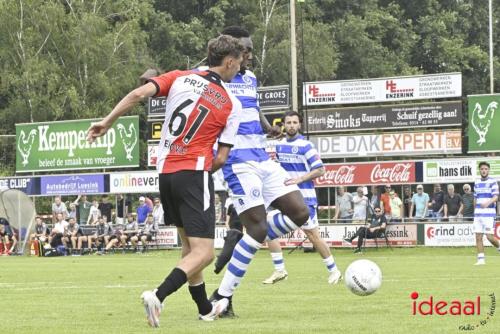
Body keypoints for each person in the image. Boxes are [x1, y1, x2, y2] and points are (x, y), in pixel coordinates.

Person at [86, 34, 245, 327]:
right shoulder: (232, 103)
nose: (239, 69)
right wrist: (200, 176)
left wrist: (107, 121)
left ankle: (205, 308)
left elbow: (137, 95)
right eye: (239, 64)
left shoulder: (180, 77)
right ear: (229, 61)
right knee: (205, 253)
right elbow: (221, 158)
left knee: (189, 250)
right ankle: (157, 295)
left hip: (166, 173)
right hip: (194, 173)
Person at [208, 27, 310, 318]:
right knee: (258, 229)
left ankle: (243, 242)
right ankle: (223, 296)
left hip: (263, 157)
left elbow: (255, 107)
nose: (250, 55)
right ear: (230, 53)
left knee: (300, 214)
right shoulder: (212, 78)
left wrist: (269, 129)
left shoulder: (250, 78)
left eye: (251, 49)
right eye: (245, 50)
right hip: (237, 162)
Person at [260, 112, 341, 285]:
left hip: (305, 199)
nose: (291, 125)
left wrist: (300, 179)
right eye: (288, 122)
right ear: (283, 125)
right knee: (264, 228)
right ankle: (279, 269)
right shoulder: (279, 146)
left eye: (294, 122)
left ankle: (334, 270)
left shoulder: (306, 146)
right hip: (285, 198)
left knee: (312, 236)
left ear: (300, 125)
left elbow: (320, 170)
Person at [473, 162, 500, 265]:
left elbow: (496, 197)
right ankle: (481, 259)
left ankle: (498, 247)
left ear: (488, 170)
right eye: (482, 169)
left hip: (488, 214)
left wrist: (487, 203)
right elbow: (475, 197)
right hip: (478, 214)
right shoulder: (476, 182)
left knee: (489, 237)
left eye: (485, 169)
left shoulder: (493, 181)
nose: (484, 170)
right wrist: (475, 210)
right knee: (478, 237)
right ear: (479, 170)